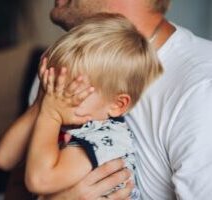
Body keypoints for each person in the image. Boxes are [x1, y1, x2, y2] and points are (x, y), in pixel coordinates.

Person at [0, 0, 212, 199]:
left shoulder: (201, 89)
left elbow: (38, 180)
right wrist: (43, 104)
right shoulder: (64, 67)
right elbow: (12, 177)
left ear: (118, 104)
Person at [24, 13, 163, 199]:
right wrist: (43, 99)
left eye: (73, 90)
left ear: (117, 105)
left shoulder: (103, 138)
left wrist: (50, 114)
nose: (57, 97)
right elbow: (3, 159)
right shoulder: (61, 116)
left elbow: (39, 181)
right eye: (56, 85)